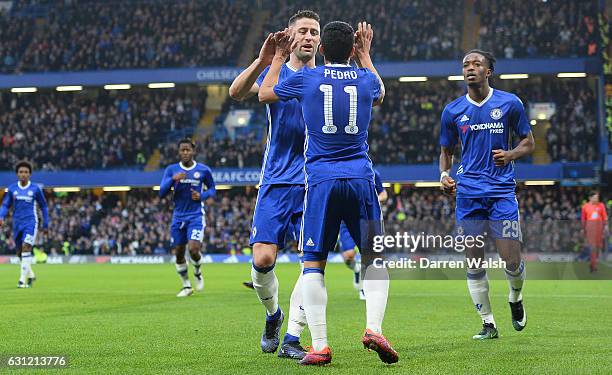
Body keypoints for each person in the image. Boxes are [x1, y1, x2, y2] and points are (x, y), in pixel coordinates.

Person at [259, 21, 398, 365]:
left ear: (322, 50)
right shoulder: (366, 79)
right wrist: (366, 56)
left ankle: (319, 344)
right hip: (361, 179)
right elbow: (381, 93)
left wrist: (277, 57)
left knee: (313, 265)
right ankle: (374, 328)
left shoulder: (307, 78)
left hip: (320, 180)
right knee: (374, 260)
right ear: (352, 49)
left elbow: (267, 93)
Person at [229, 10, 321, 359]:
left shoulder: (326, 78)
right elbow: (236, 92)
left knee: (312, 262)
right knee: (264, 258)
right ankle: (274, 315)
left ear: (320, 42)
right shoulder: (276, 74)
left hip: (314, 182)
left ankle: (293, 337)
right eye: (303, 31)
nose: (309, 37)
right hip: (277, 180)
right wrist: (262, 59)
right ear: (291, 36)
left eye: (314, 32)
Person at [439, 49, 535, 340]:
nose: (470, 68)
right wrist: (444, 175)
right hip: (468, 194)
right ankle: (488, 323)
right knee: (474, 261)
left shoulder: (509, 103)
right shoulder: (453, 110)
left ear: (488, 71)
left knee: (511, 259)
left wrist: (510, 154)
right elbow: (446, 151)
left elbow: (528, 143)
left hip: (501, 193)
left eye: (476, 64)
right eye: (466, 64)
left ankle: (515, 298)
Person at [159, 138, 216, 297]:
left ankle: (197, 271)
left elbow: (212, 189)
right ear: (178, 152)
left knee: (193, 249)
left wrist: (202, 195)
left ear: (193, 151)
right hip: (178, 216)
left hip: (196, 215)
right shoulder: (171, 170)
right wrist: (173, 180)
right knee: (178, 252)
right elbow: (161, 192)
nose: (185, 153)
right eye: (182, 150)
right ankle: (186, 286)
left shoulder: (203, 170)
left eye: (188, 150)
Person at [337, 169, 387, 300]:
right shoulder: (342, 171)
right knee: (348, 257)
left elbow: (383, 194)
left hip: (366, 218)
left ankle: (365, 288)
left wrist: (371, 199)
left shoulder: (373, 172)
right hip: (344, 221)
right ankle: (357, 270)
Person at [0, 161, 49, 288]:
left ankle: (22, 281)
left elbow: (44, 206)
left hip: (30, 222)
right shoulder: (12, 189)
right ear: (17, 174)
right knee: (19, 252)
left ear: (30, 174)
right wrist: (1, 216)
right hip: (17, 223)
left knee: (26, 247)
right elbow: (6, 205)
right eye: (21, 172)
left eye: (26, 172)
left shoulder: (35, 189)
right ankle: (31, 274)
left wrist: (46, 223)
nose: (23, 174)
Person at [581, 191, 608, 272]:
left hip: (599, 228)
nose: (597, 199)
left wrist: (606, 226)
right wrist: (583, 228)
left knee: (598, 247)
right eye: (595, 197)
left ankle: (593, 262)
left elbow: (604, 216)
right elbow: (583, 219)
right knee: (592, 247)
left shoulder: (601, 205)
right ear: (590, 198)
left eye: (597, 197)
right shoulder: (585, 207)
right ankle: (593, 266)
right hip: (590, 228)